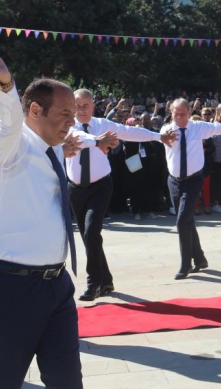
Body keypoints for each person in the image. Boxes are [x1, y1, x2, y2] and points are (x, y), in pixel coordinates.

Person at [0, 43, 115, 388]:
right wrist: (4, 85)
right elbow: (6, 124)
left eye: (74, 113)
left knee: (67, 381)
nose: (71, 121)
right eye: (63, 113)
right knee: (4, 382)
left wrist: (70, 145)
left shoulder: (51, 149)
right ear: (33, 110)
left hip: (56, 285)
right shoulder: (7, 147)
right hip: (11, 286)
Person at [67, 88, 171, 302]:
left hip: (100, 186)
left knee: (91, 233)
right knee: (90, 238)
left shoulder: (104, 125)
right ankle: (106, 280)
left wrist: (158, 136)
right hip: (76, 189)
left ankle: (93, 283)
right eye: (77, 105)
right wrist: (98, 140)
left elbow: (130, 132)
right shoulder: (66, 125)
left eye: (85, 105)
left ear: (93, 106)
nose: (81, 110)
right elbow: (78, 137)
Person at [161, 99, 221, 279]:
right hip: (174, 181)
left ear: (189, 112)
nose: (180, 116)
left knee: (182, 220)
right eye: (176, 112)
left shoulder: (198, 127)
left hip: (193, 180)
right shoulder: (166, 130)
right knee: (186, 219)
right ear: (171, 111)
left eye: (183, 112)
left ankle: (185, 264)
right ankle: (199, 258)